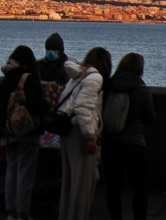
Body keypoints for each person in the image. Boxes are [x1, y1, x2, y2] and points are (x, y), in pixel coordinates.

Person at [57, 46, 111, 220]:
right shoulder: (95, 78)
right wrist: (90, 136)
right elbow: (82, 106)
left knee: (70, 183)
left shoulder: (78, 76)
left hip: (68, 132)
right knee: (82, 185)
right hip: (79, 134)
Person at [0, 45, 48, 220]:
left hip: (8, 132)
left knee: (11, 171)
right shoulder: (29, 79)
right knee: (25, 174)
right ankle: (22, 213)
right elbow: (36, 106)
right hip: (27, 133)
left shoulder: (6, 79)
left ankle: (11, 212)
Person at [103, 53, 156, 220]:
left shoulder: (109, 85)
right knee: (139, 189)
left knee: (113, 188)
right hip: (134, 144)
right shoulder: (141, 88)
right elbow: (149, 118)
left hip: (110, 143)